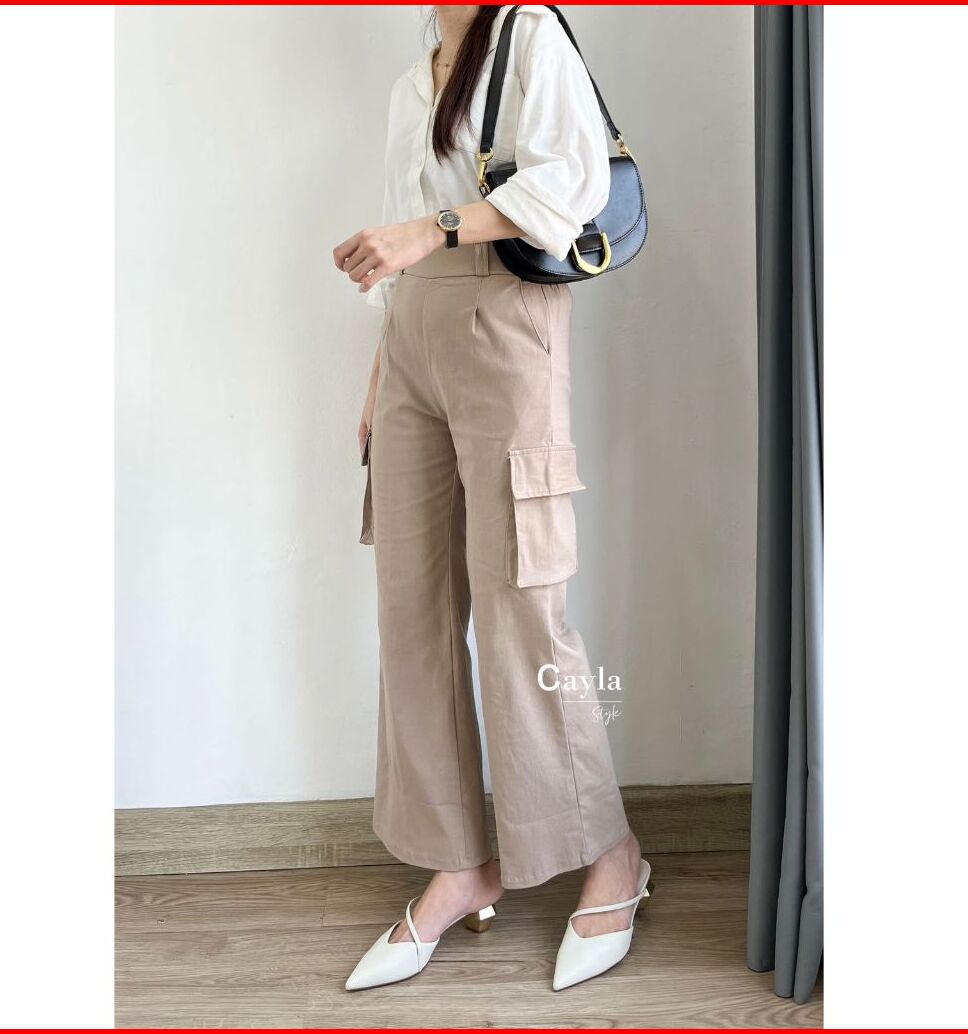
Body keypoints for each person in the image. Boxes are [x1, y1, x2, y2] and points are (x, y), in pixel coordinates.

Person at [333, 4, 651, 993]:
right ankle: (459, 860)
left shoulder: (527, 33)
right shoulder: (411, 79)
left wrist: (427, 229)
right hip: (414, 340)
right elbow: (401, 263)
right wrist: (381, 377)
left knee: (522, 602)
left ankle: (610, 852)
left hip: (504, 319)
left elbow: (573, 179)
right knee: (412, 610)